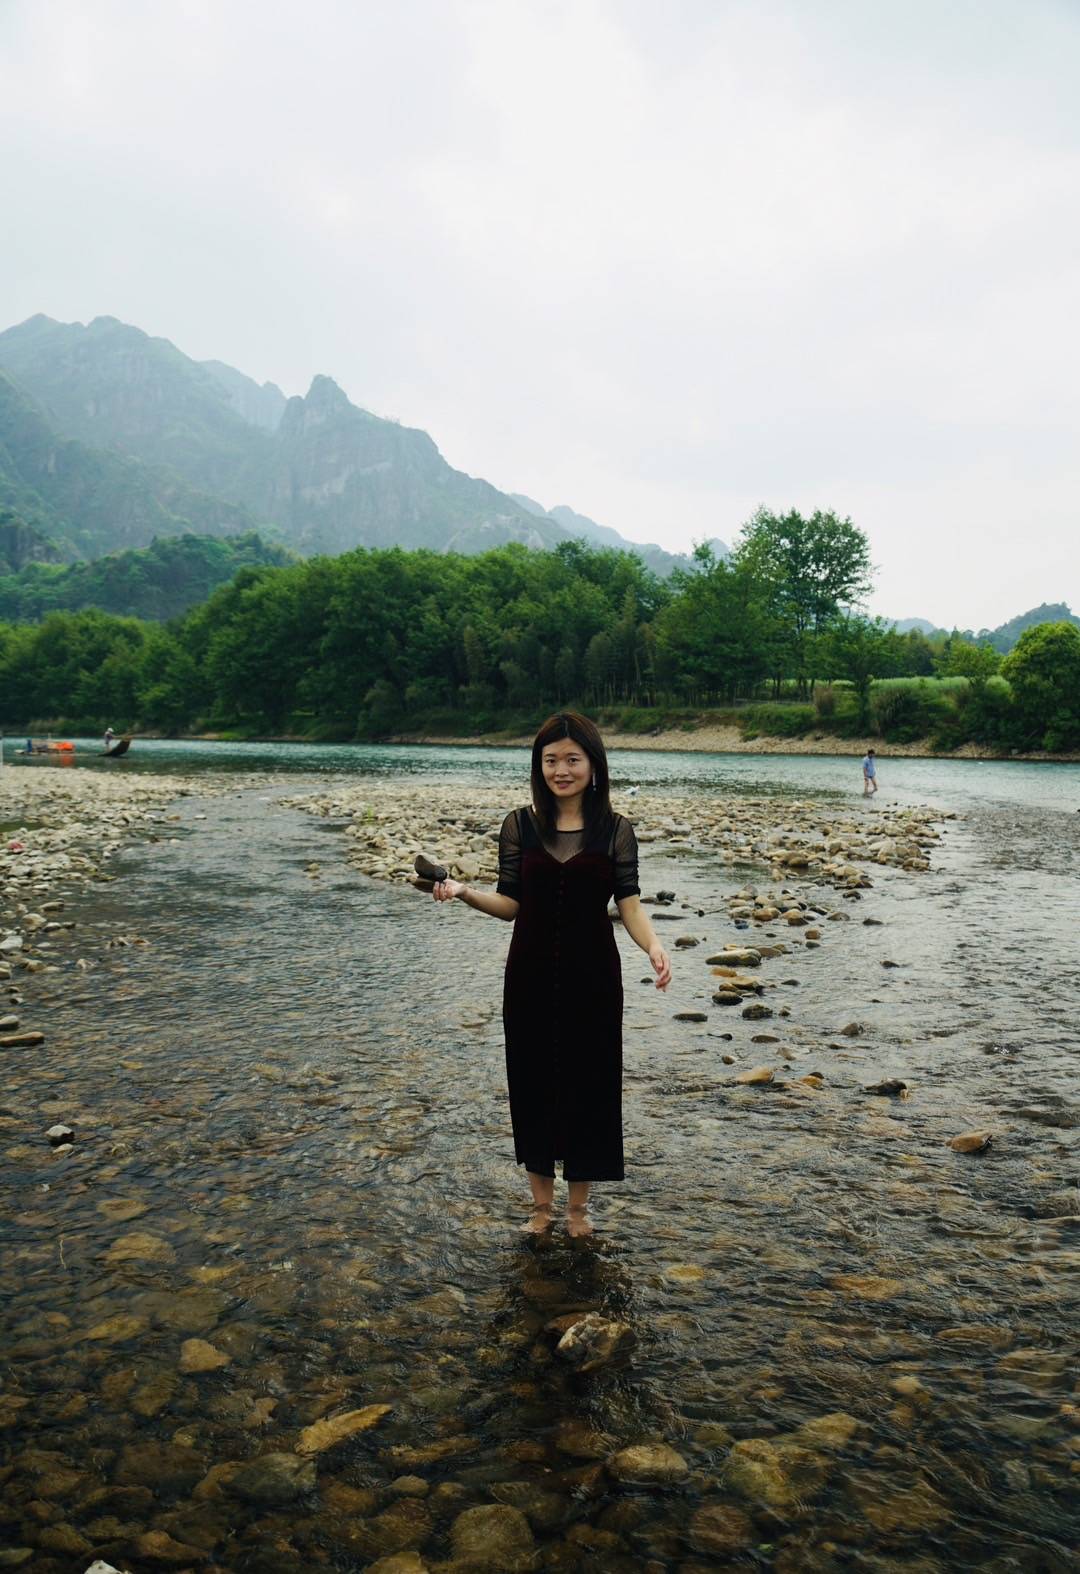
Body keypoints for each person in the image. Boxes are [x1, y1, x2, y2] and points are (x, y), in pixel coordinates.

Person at [431, 711, 671, 1237]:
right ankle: (540, 1207)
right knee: (532, 1080)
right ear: (538, 766)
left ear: (593, 764)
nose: (561, 770)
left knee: (592, 1083)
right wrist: (465, 892)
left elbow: (629, 904)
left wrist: (653, 946)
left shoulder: (616, 830)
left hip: (594, 977)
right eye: (550, 760)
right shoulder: (520, 825)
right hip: (530, 975)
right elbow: (511, 904)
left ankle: (578, 1210)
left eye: (572, 760)